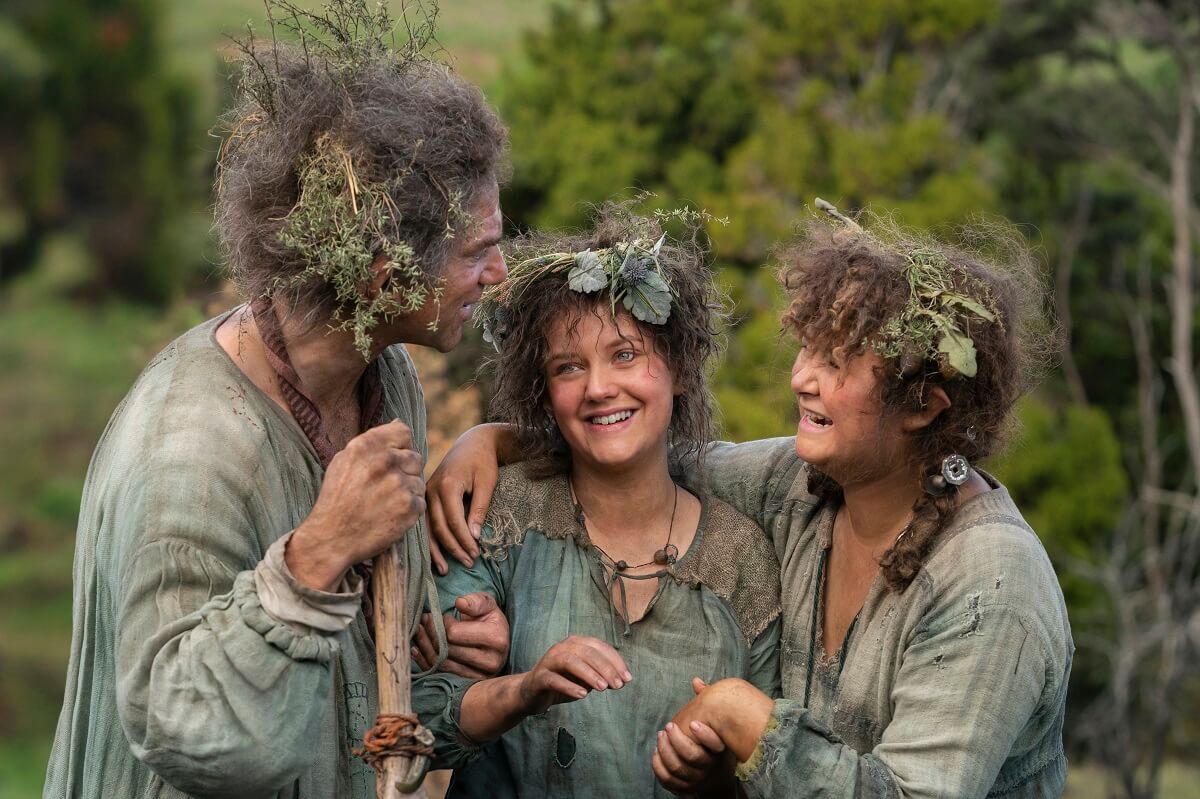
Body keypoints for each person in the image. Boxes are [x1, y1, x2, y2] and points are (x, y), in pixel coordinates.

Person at [422, 205, 1074, 798]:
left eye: (837, 363)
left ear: (922, 405)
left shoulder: (991, 578)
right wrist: (494, 440)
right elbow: (636, 456)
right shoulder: (801, 486)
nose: (800, 377)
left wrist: (740, 714)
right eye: (808, 348)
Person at [44, 4, 510, 797]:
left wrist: (454, 656)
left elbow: (357, 679)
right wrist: (317, 554)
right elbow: (180, 724)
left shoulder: (383, 381)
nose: (497, 277)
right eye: (477, 254)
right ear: (381, 275)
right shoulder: (190, 457)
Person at [411, 207, 783, 798]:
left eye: (626, 355)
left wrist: (711, 776)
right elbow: (415, 719)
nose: (599, 387)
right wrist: (523, 689)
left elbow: (773, 770)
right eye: (568, 367)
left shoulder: (744, 560)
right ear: (544, 392)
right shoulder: (496, 513)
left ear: (681, 368)